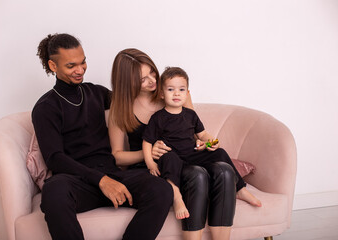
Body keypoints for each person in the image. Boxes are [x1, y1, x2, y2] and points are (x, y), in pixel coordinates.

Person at [32, 33, 173, 240]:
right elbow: (55, 158)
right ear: (53, 66)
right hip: (78, 182)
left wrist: (173, 92)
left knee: (161, 189)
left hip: (114, 175)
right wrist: (101, 181)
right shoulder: (46, 107)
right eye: (71, 66)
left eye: (83, 62)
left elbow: (131, 98)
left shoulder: (96, 93)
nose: (80, 70)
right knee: (53, 192)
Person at [109, 48, 241, 240]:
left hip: (186, 157)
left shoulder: (173, 92)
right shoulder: (120, 108)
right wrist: (150, 153)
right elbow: (117, 156)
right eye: (143, 79)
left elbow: (194, 131)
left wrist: (203, 144)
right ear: (126, 82)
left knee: (224, 169)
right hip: (155, 168)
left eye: (152, 72)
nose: (153, 80)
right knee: (197, 174)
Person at [142, 67, 262, 221]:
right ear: (161, 93)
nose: (176, 93)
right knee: (168, 158)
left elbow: (203, 134)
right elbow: (147, 142)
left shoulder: (190, 115)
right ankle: (177, 197)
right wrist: (150, 163)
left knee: (220, 153)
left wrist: (211, 142)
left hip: (192, 154)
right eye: (171, 89)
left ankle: (239, 189)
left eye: (181, 89)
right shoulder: (158, 118)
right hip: (173, 157)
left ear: (187, 93)